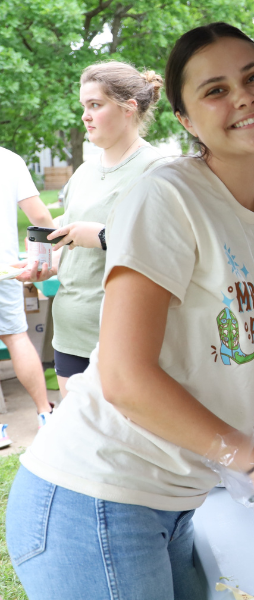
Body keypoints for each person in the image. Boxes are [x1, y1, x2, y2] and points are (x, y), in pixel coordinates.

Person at [6, 22, 254, 599]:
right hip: (92, 496)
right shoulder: (168, 196)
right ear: (187, 121)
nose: (242, 96)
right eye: (215, 90)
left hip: (175, 503)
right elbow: (123, 378)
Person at [17, 61, 165, 397]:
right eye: (84, 106)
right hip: (70, 332)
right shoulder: (83, 171)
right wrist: (44, 267)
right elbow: (71, 247)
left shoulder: (159, 170)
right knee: (78, 445)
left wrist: (102, 237)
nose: (85, 116)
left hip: (126, 336)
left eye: (95, 105)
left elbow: (173, 248)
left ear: (129, 108)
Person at [0, 146, 55, 438]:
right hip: (5, 268)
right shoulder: (8, 160)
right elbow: (40, 216)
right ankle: (45, 413)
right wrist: (50, 255)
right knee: (17, 337)